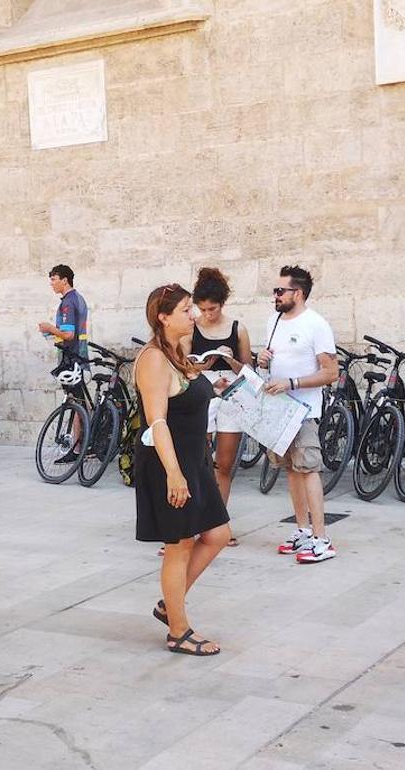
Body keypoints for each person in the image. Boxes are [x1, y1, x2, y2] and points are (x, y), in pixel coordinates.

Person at [135, 284, 232, 656]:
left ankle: (168, 604)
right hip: (169, 463)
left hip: (194, 461)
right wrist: (174, 474)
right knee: (179, 545)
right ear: (163, 316)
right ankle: (178, 630)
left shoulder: (179, 354)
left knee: (218, 534)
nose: (194, 315)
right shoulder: (154, 358)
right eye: (186, 310)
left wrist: (217, 386)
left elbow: (188, 398)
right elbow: (157, 421)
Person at [258, 266, 339, 564]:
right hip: (277, 411)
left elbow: (331, 373)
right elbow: (271, 366)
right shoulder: (274, 321)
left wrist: (292, 384)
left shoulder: (316, 324)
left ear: (298, 293)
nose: (275, 296)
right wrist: (262, 361)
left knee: (308, 469)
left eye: (280, 291)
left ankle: (322, 538)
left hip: (303, 411)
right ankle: (302, 530)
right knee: (291, 469)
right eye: (274, 291)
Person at [182, 267, 252, 547]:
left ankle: (219, 523)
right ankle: (190, 525)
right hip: (201, 391)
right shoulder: (191, 328)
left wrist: (231, 360)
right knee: (197, 459)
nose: (207, 314)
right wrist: (201, 365)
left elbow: (248, 369)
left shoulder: (238, 328)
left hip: (231, 392)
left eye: (212, 308)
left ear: (222, 304)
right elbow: (183, 364)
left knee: (224, 462)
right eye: (202, 309)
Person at [37, 265, 90, 463]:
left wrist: (50, 328)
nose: (51, 284)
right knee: (80, 402)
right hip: (76, 356)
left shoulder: (68, 302)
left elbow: (69, 334)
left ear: (65, 280)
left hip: (72, 359)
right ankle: (86, 443)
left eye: (54, 279)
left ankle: (77, 450)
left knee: (76, 404)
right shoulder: (77, 299)